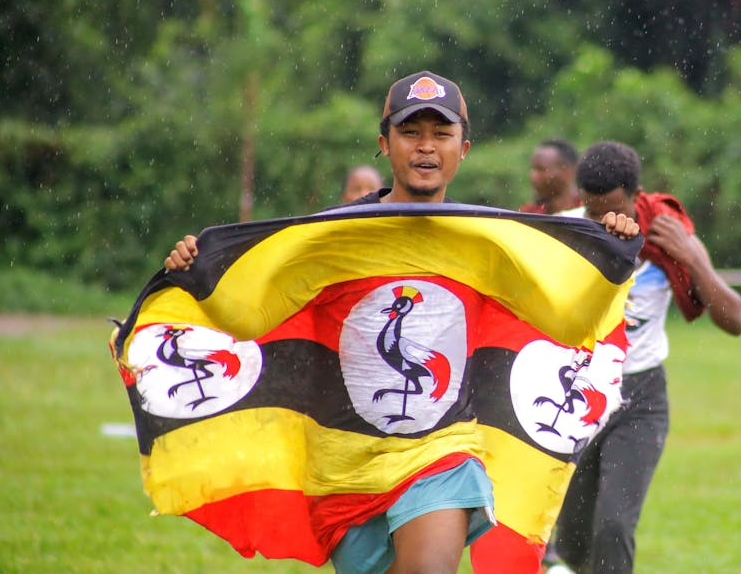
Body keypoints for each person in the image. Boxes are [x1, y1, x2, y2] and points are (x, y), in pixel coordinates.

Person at [164, 71, 639, 574]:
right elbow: (250, 320)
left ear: (464, 148)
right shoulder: (333, 235)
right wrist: (198, 279)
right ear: (384, 144)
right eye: (411, 133)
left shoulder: (485, 239)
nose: (426, 147)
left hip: (443, 451)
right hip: (344, 466)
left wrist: (610, 265)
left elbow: (566, 323)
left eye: (442, 134)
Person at [548, 141, 741, 574]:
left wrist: (692, 256)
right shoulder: (563, 232)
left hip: (640, 398)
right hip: (577, 393)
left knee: (613, 528)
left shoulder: (667, 237)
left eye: (614, 209)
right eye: (592, 212)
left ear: (637, 198)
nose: (603, 223)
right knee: (575, 542)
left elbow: (735, 320)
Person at [518, 138, 582, 215]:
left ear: (567, 171)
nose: (533, 176)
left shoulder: (590, 213)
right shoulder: (527, 214)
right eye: (533, 169)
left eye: (541, 169)